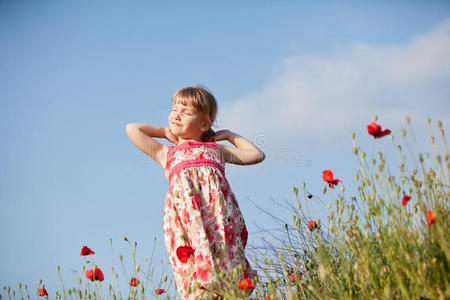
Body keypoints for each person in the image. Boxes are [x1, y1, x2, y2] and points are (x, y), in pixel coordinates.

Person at [126, 85, 266, 299]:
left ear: (204, 124)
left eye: (187, 112)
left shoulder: (216, 150)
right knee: (194, 274)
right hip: (188, 223)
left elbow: (255, 154)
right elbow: (132, 129)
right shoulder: (166, 153)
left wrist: (228, 135)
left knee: (226, 269)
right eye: (175, 109)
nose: (177, 115)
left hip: (218, 221)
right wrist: (164, 132)